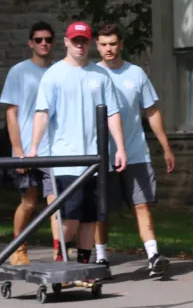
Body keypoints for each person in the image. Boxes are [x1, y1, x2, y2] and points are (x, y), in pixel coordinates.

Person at [26, 21, 127, 266]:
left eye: (84, 41)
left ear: (89, 42)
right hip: (66, 160)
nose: (80, 45)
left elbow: (112, 113)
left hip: (95, 158)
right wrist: (33, 148)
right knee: (70, 216)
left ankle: (83, 266)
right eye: (75, 41)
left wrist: (120, 148)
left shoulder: (100, 75)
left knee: (90, 217)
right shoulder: (54, 75)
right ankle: (61, 257)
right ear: (67, 42)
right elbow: (42, 113)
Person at [94, 23, 174, 277]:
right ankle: (101, 259)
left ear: (121, 45)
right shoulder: (91, 75)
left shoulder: (136, 73)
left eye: (113, 44)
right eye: (104, 44)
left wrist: (166, 147)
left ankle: (153, 257)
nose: (109, 48)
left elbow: (151, 111)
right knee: (102, 209)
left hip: (136, 152)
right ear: (97, 45)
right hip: (102, 155)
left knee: (142, 205)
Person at [0, 21, 55, 264]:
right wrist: (18, 150)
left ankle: (59, 252)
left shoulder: (58, 71)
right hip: (26, 150)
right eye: (39, 39)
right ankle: (18, 248)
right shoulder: (18, 71)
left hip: (53, 149)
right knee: (29, 202)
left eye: (48, 39)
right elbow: (11, 113)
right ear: (30, 43)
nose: (44, 43)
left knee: (56, 203)